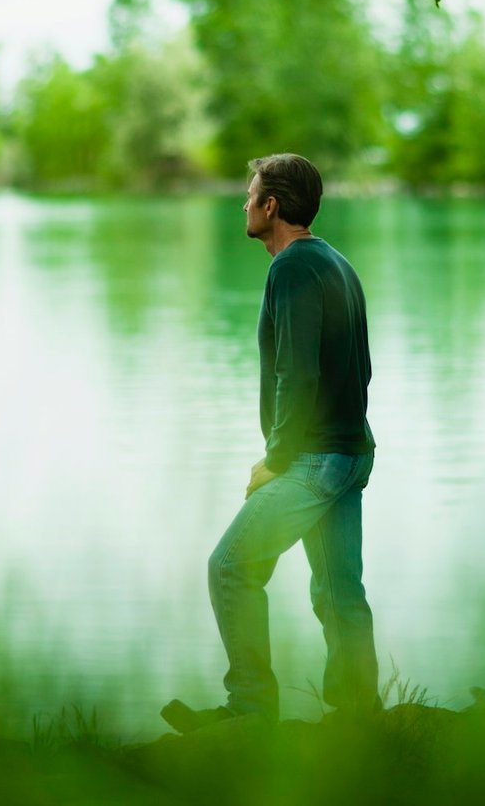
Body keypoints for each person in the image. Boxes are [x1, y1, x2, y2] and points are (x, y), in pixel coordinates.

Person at [163, 153, 379, 731]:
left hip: (314, 456)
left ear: (271, 206)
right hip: (351, 451)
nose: (243, 203)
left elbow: (297, 374)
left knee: (230, 567)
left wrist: (277, 459)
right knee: (338, 590)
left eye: (250, 193)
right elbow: (362, 369)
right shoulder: (337, 263)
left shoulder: (290, 268)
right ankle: (360, 715)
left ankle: (251, 710)